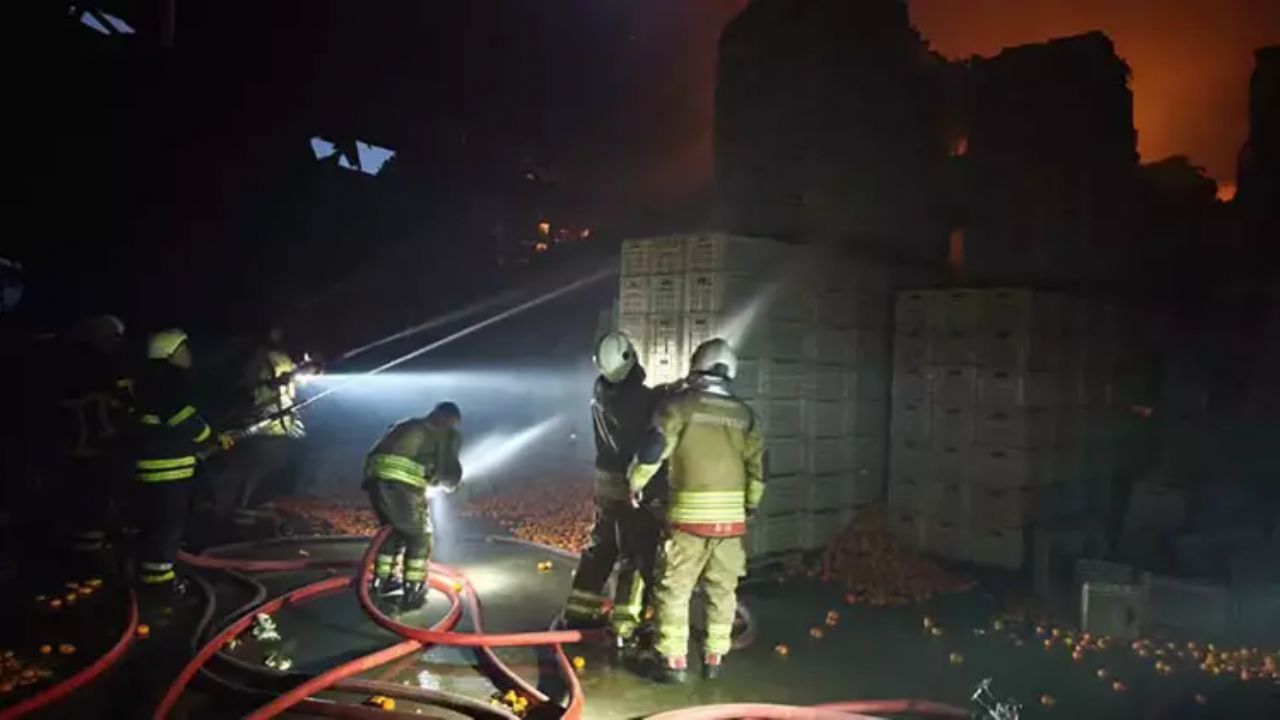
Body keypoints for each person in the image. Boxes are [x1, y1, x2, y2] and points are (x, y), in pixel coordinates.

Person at [628, 338, 765, 683]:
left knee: (674, 589)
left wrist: (635, 483)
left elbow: (652, 450)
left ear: (696, 366)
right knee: (722, 591)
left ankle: (673, 663)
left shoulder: (678, 408)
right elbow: (759, 467)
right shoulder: (746, 416)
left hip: (688, 521)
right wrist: (751, 504)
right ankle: (714, 659)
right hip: (731, 523)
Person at [563, 332, 665, 645]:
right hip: (630, 483)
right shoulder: (641, 399)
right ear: (630, 357)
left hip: (605, 480)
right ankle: (625, 623)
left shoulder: (600, 391)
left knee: (602, 544)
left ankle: (580, 610)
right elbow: (651, 431)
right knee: (635, 550)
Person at [133, 329, 229, 591]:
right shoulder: (168, 380)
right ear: (169, 352)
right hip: (168, 468)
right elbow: (182, 418)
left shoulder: (149, 379)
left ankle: (154, 571)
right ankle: (159, 584)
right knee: (166, 526)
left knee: (157, 525)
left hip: (157, 465)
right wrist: (210, 436)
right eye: (183, 349)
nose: (188, 354)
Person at [364, 402, 463, 612]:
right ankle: (414, 588)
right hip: (401, 484)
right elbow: (447, 468)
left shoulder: (406, 425)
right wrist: (448, 483)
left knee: (393, 531)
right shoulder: (445, 433)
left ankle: (382, 581)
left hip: (375, 479)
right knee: (419, 535)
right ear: (449, 420)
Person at [58, 315, 134, 563]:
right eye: (114, 338)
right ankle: (87, 562)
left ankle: (88, 556)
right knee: (91, 506)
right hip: (95, 450)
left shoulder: (75, 364)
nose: (118, 344)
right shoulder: (97, 368)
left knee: (90, 505)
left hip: (86, 450)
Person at [222, 326, 306, 529]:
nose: (277, 335)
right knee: (259, 465)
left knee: (277, 464)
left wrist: (306, 371)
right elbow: (251, 385)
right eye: (273, 332)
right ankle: (242, 510)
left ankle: (261, 504)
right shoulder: (257, 358)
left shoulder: (283, 357)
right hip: (265, 419)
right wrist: (273, 383)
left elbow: (295, 383)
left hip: (283, 420)